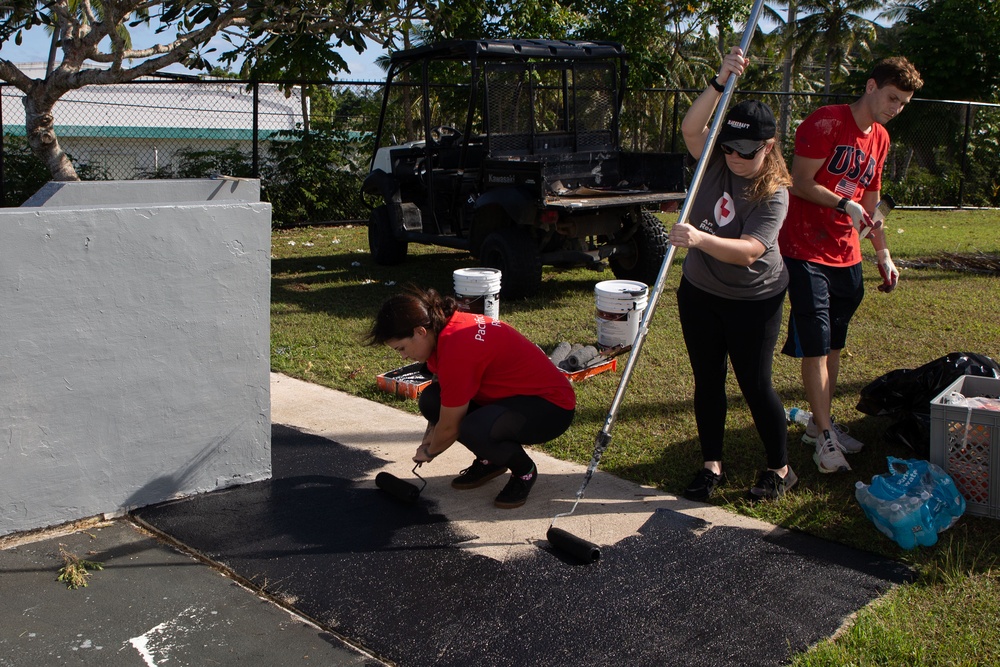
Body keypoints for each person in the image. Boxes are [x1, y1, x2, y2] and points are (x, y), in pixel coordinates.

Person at [779, 57, 923, 474]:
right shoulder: (826, 122)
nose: (895, 108)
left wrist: (883, 254)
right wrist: (844, 202)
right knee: (816, 341)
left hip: (846, 252)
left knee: (835, 343)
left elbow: (873, 205)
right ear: (871, 85)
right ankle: (824, 434)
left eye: (903, 103)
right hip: (805, 247)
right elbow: (800, 181)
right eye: (892, 98)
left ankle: (819, 426)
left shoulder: (880, 138)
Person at [669, 46, 795, 502]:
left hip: (753, 298)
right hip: (700, 291)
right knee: (708, 379)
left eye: (746, 151)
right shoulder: (714, 159)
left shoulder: (775, 192)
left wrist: (698, 240)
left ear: (769, 146)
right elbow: (689, 128)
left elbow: (748, 252)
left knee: (755, 383)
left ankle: (780, 469)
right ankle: (711, 465)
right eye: (729, 147)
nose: (735, 158)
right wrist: (721, 79)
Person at [366, 286, 576, 509]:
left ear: (420, 332)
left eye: (402, 348)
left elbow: (449, 427)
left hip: (550, 408)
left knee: (472, 428)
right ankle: (492, 460)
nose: (403, 356)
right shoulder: (444, 328)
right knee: (432, 400)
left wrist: (429, 451)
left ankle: (524, 471)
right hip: (511, 397)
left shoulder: (457, 349)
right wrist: (430, 435)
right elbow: (442, 393)